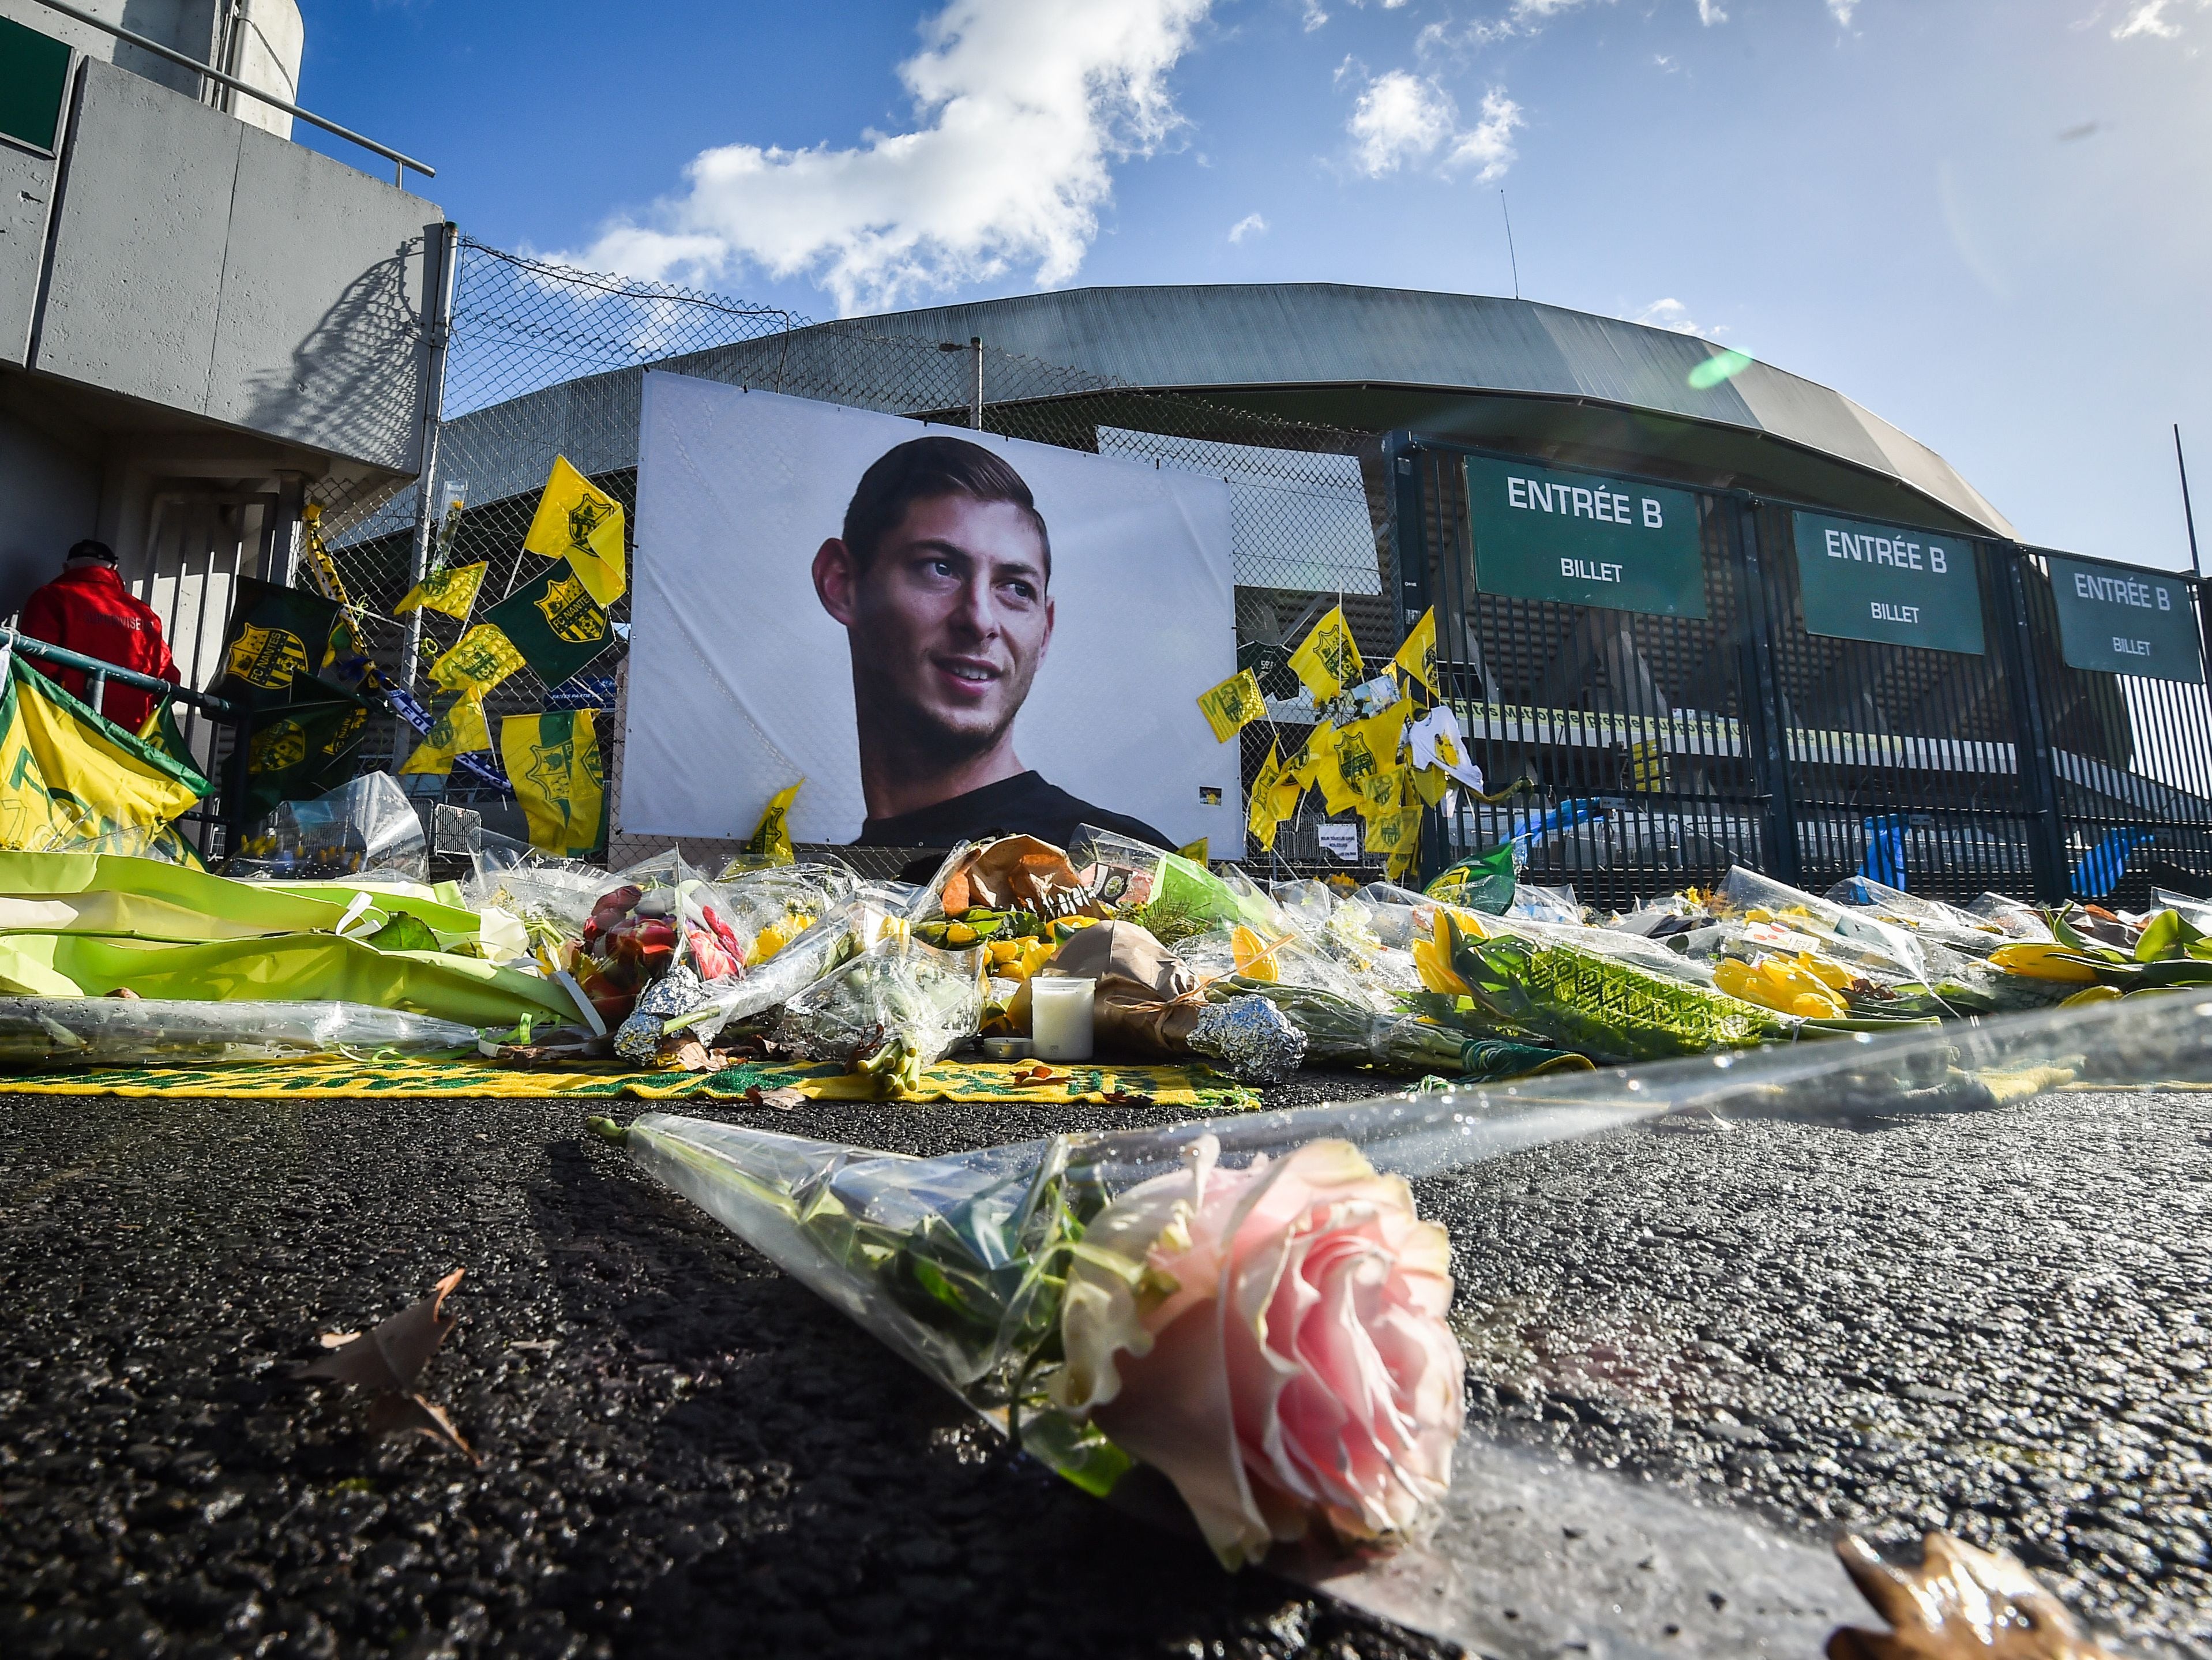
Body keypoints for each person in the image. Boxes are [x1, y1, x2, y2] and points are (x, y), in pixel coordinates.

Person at [811, 435, 1171, 851]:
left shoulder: (1119, 871)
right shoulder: (826, 898)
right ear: (841, 584)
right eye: (940, 568)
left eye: (1017, 589)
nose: (980, 619)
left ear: (1045, 633)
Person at [17, 540, 181, 733]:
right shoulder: (143, 612)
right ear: (115, 569)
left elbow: (35, 666)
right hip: (131, 734)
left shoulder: (50, 597)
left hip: (67, 724)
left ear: (66, 568)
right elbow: (169, 678)